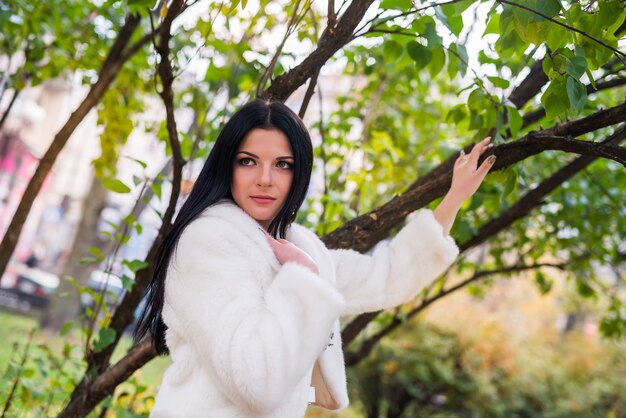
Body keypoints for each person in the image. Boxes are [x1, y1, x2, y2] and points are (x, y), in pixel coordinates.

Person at [135, 99, 496, 417]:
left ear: (299, 174)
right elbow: (255, 382)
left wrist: (454, 199)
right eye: (248, 161)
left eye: (283, 165)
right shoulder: (207, 242)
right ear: (227, 166)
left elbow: (383, 277)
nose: (264, 179)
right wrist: (304, 278)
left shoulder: (296, 245)